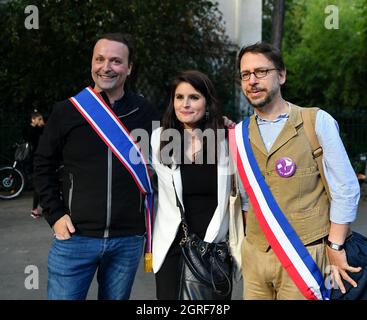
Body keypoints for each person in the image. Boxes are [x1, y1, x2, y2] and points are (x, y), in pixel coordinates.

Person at [34, 33, 160, 300]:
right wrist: (54, 215)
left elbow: (174, 154)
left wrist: (220, 128)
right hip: (74, 238)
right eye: (100, 59)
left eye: (116, 61)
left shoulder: (146, 112)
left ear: (129, 68)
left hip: (127, 240)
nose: (106, 67)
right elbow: (43, 164)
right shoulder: (67, 111)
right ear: (92, 63)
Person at [232, 42, 361, 300]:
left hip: (304, 256)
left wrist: (335, 245)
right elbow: (244, 199)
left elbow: (346, 188)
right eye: (246, 75)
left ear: (281, 75)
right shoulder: (238, 134)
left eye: (261, 72)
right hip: (256, 257)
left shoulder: (316, 121)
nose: (252, 81)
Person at [151, 70, 233, 300]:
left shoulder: (227, 139)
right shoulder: (159, 137)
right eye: (179, 97)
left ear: (208, 102)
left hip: (213, 247)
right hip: (172, 245)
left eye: (194, 97)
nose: (185, 104)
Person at [23, 110, 45, 218]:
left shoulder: (37, 130)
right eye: (39, 119)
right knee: (39, 185)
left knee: (40, 184)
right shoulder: (32, 131)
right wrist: (41, 127)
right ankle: (34, 210)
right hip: (35, 161)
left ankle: (38, 208)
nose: (42, 121)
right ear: (33, 120)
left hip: (37, 160)